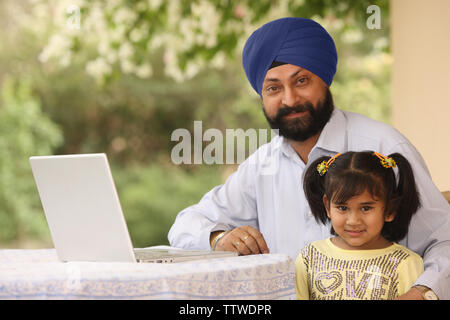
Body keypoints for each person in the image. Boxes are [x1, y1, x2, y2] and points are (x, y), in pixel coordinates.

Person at [168, 17, 450, 300]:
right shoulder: (263, 164)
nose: (289, 100)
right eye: (273, 88)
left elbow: (445, 239)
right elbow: (186, 224)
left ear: (324, 81)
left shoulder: (383, 146)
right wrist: (219, 238)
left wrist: (422, 292)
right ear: (261, 95)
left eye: (301, 81)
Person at [295, 151, 424, 300]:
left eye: (366, 208)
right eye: (343, 208)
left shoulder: (406, 264)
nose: (353, 221)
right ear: (327, 206)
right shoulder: (309, 257)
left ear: (390, 209)